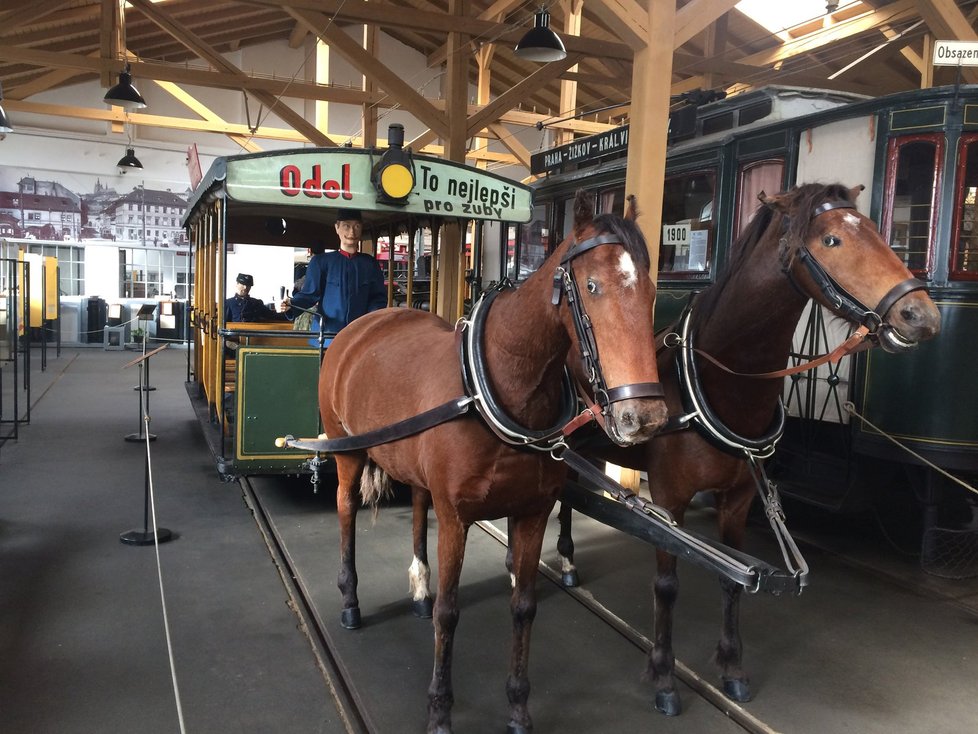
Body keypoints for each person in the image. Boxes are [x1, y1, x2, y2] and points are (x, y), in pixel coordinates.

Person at [280, 209, 387, 344]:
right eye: (346, 226)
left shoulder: (370, 264)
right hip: (326, 337)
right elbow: (309, 295)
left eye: (357, 226)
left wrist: (370, 319)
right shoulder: (321, 262)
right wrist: (292, 305)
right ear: (337, 228)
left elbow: (378, 298)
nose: (351, 232)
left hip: (360, 338)